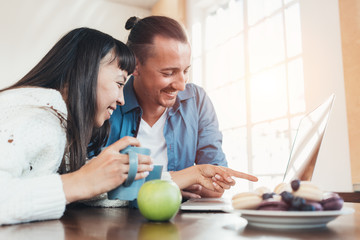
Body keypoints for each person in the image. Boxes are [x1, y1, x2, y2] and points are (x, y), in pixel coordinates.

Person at [0, 27, 255, 225]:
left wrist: (185, 175)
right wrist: (79, 182)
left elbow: (102, 191)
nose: (121, 100)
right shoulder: (38, 119)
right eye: (120, 83)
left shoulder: (58, 122)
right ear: (86, 74)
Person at [106, 16, 257, 199]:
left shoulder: (197, 101)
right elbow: (96, 181)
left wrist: (187, 182)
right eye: (168, 73)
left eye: (185, 71)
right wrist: (177, 181)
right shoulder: (109, 103)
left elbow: (215, 183)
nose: (181, 86)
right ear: (135, 66)